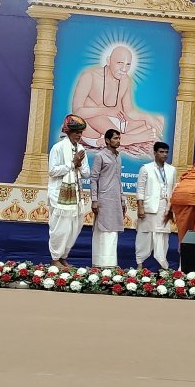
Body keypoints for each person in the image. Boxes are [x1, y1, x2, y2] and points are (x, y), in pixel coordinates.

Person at [71, 45, 164, 156]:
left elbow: (129, 111)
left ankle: (114, 138)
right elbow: (76, 112)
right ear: (108, 61)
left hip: (119, 123)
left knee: (159, 119)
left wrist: (147, 117)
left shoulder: (126, 80)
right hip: (94, 127)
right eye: (120, 63)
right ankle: (125, 138)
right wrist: (107, 111)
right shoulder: (90, 76)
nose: (124, 69)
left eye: (128, 64)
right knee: (88, 104)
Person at [47, 114, 91, 269]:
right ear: (68, 132)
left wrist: (79, 164)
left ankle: (63, 257)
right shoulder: (58, 148)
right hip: (60, 195)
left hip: (76, 196)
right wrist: (72, 164)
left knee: (74, 228)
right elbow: (52, 171)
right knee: (60, 228)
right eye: (76, 132)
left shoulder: (81, 149)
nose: (79, 135)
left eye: (81, 132)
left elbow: (86, 173)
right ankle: (55, 258)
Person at [135, 142, 176, 270]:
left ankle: (163, 265)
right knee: (144, 235)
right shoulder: (146, 168)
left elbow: (173, 190)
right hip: (149, 208)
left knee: (163, 236)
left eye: (166, 152)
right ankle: (140, 263)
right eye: (161, 152)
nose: (164, 154)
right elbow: (140, 189)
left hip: (165, 207)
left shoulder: (172, 170)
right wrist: (140, 207)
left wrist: (172, 209)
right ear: (155, 153)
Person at [90, 129, 125, 268]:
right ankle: (100, 263)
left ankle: (111, 263)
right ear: (107, 140)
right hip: (103, 199)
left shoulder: (118, 156)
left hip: (115, 199)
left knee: (113, 231)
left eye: (119, 138)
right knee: (103, 230)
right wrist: (94, 199)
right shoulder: (100, 156)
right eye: (115, 138)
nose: (118, 141)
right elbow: (94, 178)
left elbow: (118, 179)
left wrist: (122, 199)